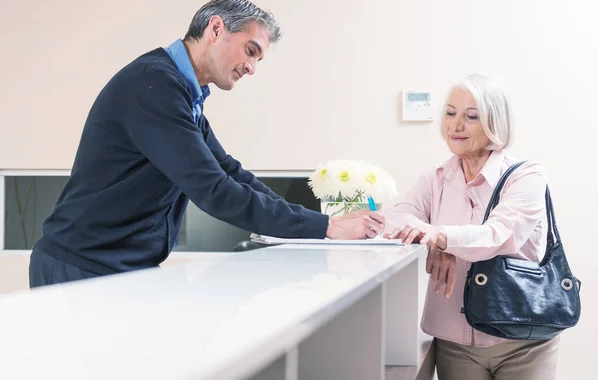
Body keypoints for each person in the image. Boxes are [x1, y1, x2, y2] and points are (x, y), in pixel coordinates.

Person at [29, 0, 385, 288]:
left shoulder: (184, 94)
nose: (251, 67)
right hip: (79, 267)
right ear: (216, 29)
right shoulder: (154, 86)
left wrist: (314, 224)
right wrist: (326, 227)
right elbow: (213, 190)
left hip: (115, 267)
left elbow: (229, 171)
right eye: (250, 50)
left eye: (258, 59)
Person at [384, 74, 559, 379]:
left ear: (495, 122)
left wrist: (441, 236)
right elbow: (397, 219)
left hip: (524, 339)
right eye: (450, 113)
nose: (455, 125)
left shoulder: (526, 176)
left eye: (471, 116)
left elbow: (499, 235)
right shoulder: (434, 179)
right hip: (455, 342)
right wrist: (437, 243)